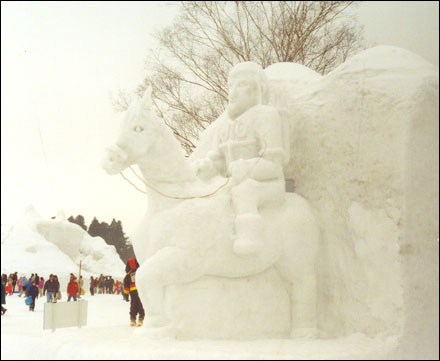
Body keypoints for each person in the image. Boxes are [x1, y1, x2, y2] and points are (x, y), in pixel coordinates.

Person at [193, 61, 288, 255]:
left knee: (245, 191)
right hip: (233, 182)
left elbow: (274, 164)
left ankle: (250, 237)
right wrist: (209, 167)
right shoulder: (224, 125)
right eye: (231, 86)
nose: (233, 92)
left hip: (266, 184)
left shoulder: (266, 116)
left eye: (241, 85)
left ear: (257, 89)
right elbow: (219, 160)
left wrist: (245, 168)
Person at [124, 258, 145, 327]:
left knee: (133, 305)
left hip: (133, 292)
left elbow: (126, 284)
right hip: (141, 291)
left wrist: (126, 294)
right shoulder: (141, 272)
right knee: (141, 305)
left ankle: (132, 319)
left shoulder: (129, 274)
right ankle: (141, 319)